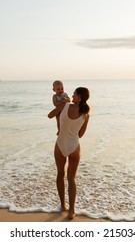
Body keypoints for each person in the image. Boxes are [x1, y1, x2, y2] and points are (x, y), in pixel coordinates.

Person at [48, 87, 90, 219]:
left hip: (60, 145)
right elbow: (81, 134)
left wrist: (60, 107)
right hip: (74, 146)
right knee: (71, 179)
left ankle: (63, 205)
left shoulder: (64, 105)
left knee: (60, 175)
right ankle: (72, 210)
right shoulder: (86, 114)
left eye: (74, 94)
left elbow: (50, 115)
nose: (71, 95)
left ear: (79, 97)